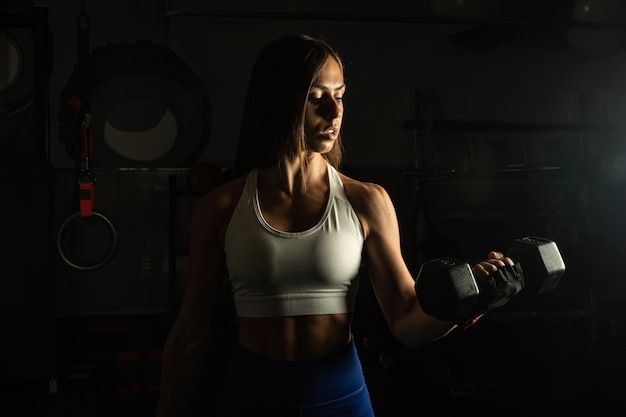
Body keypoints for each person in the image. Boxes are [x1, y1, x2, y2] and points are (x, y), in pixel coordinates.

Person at [156, 34, 517, 417]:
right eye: (315, 97)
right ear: (277, 101)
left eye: (339, 95)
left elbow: (407, 321)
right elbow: (189, 337)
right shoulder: (222, 207)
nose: (334, 112)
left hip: (340, 400)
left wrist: (469, 299)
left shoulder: (366, 201)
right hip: (251, 399)